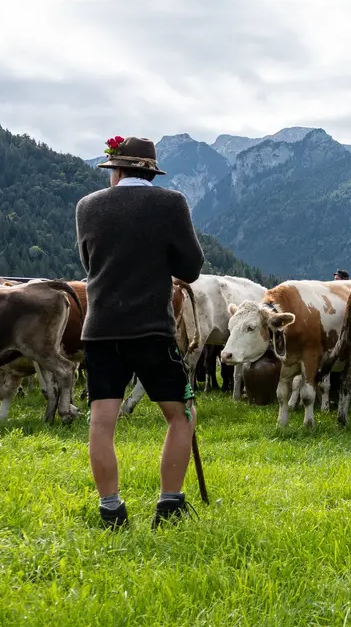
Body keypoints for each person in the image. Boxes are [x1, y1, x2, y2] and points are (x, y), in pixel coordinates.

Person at [76, 136, 205, 528]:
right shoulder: (171, 203)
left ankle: (111, 509)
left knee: (102, 421)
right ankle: (169, 505)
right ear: (150, 170)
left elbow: (88, 262)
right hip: (151, 329)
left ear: (114, 171)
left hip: (99, 330)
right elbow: (191, 269)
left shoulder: (87, 206)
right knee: (181, 415)